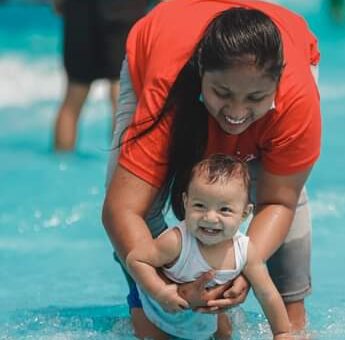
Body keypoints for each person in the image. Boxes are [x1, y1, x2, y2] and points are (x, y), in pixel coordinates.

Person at [102, 0, 321, 337]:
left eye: (255, 99)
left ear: (277, 85)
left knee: (291, 318)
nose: (236, 112)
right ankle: (154, 305)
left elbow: (279, 201)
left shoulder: (295, 101)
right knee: (156, 317)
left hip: (286, 48)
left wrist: (245, 270)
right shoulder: (169, 88)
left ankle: (291, 306)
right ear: (202, 73)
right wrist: (167, 291)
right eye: (222, 93)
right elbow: (122, 209)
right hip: (163, 51)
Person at [126, 154, 290, 339]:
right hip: (154, 305)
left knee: (224, 333)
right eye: (200, 206)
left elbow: (267, 293)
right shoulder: (176, 241)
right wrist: (159, 291)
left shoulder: (245, 250)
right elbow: (136, 259)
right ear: (186, 202)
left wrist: (281, 332)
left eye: (225, 209)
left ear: (245, 213)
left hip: (203, 311)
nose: (210, 218)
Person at [51, 0, 147, 152]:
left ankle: (60, 165)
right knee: (121, 92)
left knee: (74, 93)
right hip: (125, 8)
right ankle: (118, 166)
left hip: (80, 9)